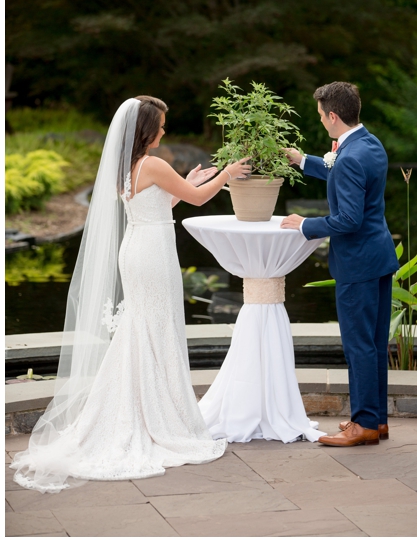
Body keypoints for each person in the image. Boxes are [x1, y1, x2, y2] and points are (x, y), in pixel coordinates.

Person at [10, 95, 251, 493]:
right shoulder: (154, 164)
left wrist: (188, 181)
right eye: (160, 124)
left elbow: (164, 201)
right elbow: (196, 201)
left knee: (143, 327)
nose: (164, 130)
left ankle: (135, 406)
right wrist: (226, 172)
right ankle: (158, 415)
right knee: (157, 327)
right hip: (153, 253)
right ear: (146, 130)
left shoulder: (128, 166)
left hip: (138, 248)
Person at [281, 82, 399, 447]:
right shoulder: (369, 143)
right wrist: (302, 160)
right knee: (375, 344)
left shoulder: (348, 157)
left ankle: (362, 425)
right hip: (379, 257)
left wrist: (305, 225)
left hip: (358, 264)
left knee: (358, 346)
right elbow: (343, 172)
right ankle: (376, 421)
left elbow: (347, 219)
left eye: (320, 116)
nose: (321, 122)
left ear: (333, 116)